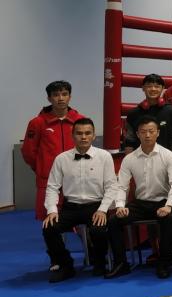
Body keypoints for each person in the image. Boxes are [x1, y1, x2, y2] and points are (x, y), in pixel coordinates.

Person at [105, 116, 172, 279]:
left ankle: (164, 263)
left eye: (151, 131)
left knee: (169, 219)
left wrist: (169, 206)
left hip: (162, 201)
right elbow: (122, 186)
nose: (147, 135)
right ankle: (121, 263)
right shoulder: (129, 159)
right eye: (143, 132)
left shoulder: (168, 156)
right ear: (137, 134)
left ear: (157, 133)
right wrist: (120, 206)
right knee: (113, 221)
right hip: (140, 203)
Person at [41, 118, 115, 282]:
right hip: (70, 207)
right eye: (79, 133)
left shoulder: (104, 157)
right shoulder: (61, 159)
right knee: (49, 228)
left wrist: (103, 210)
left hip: (95, 206)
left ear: (94, 135)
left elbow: (111, 187)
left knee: (98, 230)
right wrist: (52, 210)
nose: (83, 137)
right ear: (72, 135)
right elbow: (52, 187)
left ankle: (100, 262)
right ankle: (65, 264)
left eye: (88, 133)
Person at [22, 80, 85, 220]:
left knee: (79, 219)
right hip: (48, 180)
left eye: (65, 94)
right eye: (56, 95)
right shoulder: (37, 122)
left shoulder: (81, 121)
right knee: (50, 221)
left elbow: (86, 148)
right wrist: (41, 167)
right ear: (49, 98)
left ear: (70, 96)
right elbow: (28, 152)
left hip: (76, 178)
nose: (61, 98)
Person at [124, 74, 172, 158]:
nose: (153, 89)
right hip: (140, 160)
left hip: (166, 160)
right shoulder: (133, 114)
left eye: (157, 86)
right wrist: (128, 161)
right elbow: (129, 140)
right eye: (149, 86)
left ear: (163, 88)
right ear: (143, 88)